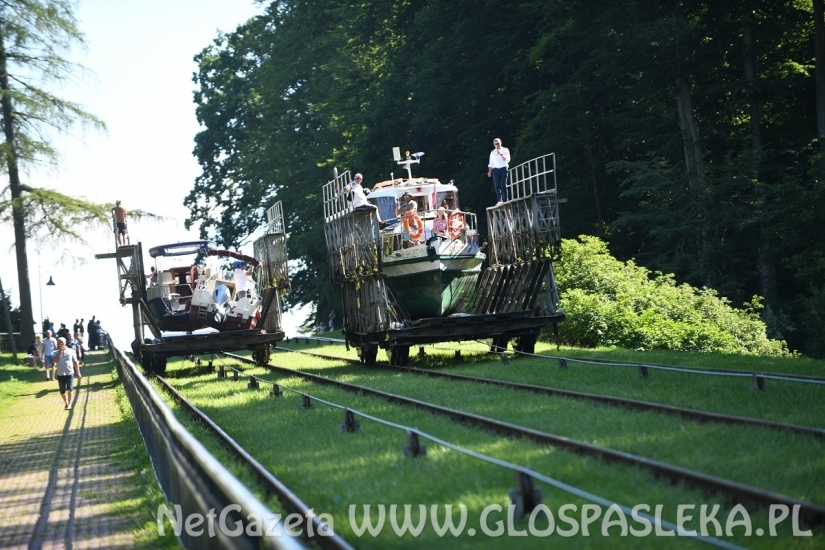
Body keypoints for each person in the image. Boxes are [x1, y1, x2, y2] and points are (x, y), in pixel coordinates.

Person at [52, 337, 81, 410]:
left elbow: (75, 362)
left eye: (62, 342)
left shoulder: (71, 351)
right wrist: (60, 353)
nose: (60, 344)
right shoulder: (55, 352)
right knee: (62, 391)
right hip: (60, 374)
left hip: (70, 373)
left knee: (69, 389)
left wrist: (78, 372)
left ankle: (70, 404)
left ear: (65, 343)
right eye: (59, 342)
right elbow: (54, 361)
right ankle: (66, 402)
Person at [487, 137, 511, 205]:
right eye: (495, 144)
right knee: (497, 185)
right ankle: (499, 200)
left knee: (504, 184)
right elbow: (491, 163)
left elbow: (507, 159)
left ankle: (505, 199)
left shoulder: (505, 150)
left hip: (504, 168)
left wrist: (500, 154)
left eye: (498, 143)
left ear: (501, 143)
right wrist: (489, 171)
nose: (497, 145)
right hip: (496, 170)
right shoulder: (492, 152)